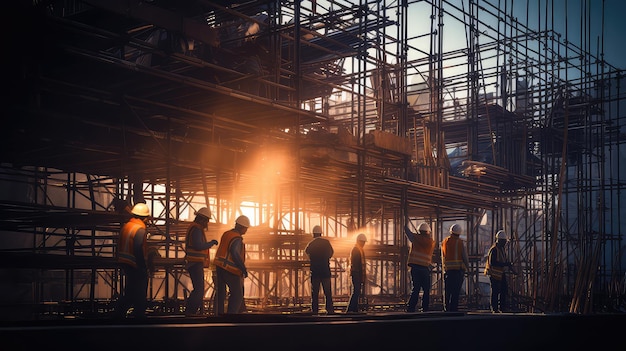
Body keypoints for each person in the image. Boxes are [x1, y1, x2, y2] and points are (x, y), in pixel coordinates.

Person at [116, 202, 157, 319]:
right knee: (140, 287)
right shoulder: (140, 228)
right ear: (144, 218)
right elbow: (138, 247)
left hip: (125, 261)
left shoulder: (127, 225)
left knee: (131, 290)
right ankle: (138, 314)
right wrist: (142, 266)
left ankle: (119, 314)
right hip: (134, 263)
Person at [184, 207, 219, 316]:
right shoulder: (197, 229)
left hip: (193, 262)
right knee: (199, 290)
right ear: (202, 219)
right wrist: (211, 243)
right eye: (207, 221)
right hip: (195, 263)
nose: (207, 223)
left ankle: (190, 310)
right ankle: (191, 311)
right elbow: (198, 245)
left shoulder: (194, 228)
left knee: (198, 289)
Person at [214, 215, 250, 315]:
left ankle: (218, 315)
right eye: (246, 228)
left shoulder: (227, 234)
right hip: (230, 269)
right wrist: (243, 269)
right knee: (237, 294)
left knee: (221, 293)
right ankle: (231, 315)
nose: (246, 231)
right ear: (242, 227)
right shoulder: (237, 238)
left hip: (219, 267)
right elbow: (234, 253)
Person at [404, 222, 436, 312]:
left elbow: (408, 233)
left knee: (416, 288)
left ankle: (411, 308)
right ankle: (425, 308)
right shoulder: (431, 242)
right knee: (426, 289)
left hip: (415, 268)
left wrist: (404, 224)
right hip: (425, 269)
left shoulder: (415, 238)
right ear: (428, 232)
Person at [304, 225, 335, 315]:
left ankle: (315, 310)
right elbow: (331, 253)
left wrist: (313, 259)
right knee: (327, 292)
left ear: (313, 234)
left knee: (315, 293)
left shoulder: (311, 243)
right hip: (325, 271)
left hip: (315, 272)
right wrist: (325, 259)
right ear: (321, 233)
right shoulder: (326, 242)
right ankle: (329, 310)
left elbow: (306, 252)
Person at [484, 230, 517, 313]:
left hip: (500, 274)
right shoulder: (494, 250)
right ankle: (494, 309)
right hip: (494, 274)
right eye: (504, 241)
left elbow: (505, 262)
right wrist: (504, 264)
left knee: (504, 290)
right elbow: (493, 262)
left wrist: (512, 270)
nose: (505, 243)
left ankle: (502, 308)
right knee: (495, 291)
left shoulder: (502, 249)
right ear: (500, 240)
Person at [441, 223, 470, 312]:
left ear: (451, 232)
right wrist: (468, 267)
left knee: (447, 291)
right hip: (458, 271)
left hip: (448, 271)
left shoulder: (445, 242)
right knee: (455, 292)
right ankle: (453, 309)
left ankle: (446, 308)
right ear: (459, 233)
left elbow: (442, 256)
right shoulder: (460, 243)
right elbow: (464, 257)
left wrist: (444, 269)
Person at [346, 233, 367, 313]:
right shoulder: (356, 249)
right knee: (356, 291)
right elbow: (356, 264)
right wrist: (359, 275)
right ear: (360, 241)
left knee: (356, 291)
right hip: (356, 273)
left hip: (357, 273)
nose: (364, 244)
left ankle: (354, 309)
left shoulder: (359, 249)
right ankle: (350, 309)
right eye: (363, 242)